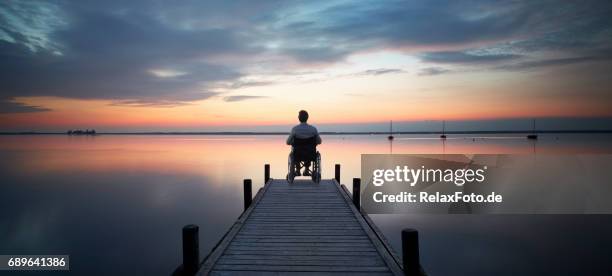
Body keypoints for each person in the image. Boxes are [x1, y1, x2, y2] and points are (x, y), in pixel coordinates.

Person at [287, 110, 322, 176]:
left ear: (299, 118)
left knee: (295, 150)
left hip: (298, 154)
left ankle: (297, 170)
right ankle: (306, 169)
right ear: (307, 118)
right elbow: (319, 141)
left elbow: (288, 142)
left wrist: (293, 143)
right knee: (309, 149)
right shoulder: (313, 129)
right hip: (310, 154)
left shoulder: (295, 129)